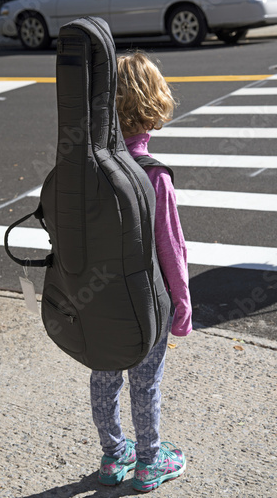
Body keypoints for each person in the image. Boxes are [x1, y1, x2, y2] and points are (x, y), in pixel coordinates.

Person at [90, 51, 193, 493]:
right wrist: (182, 304)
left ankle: (114, 456)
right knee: (145, 383)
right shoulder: (154, 177)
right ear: (154, 103)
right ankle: (150, 461)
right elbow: (172, 249)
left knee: (104, 376)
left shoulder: (92, 170)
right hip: (146, 305)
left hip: (98, 302)